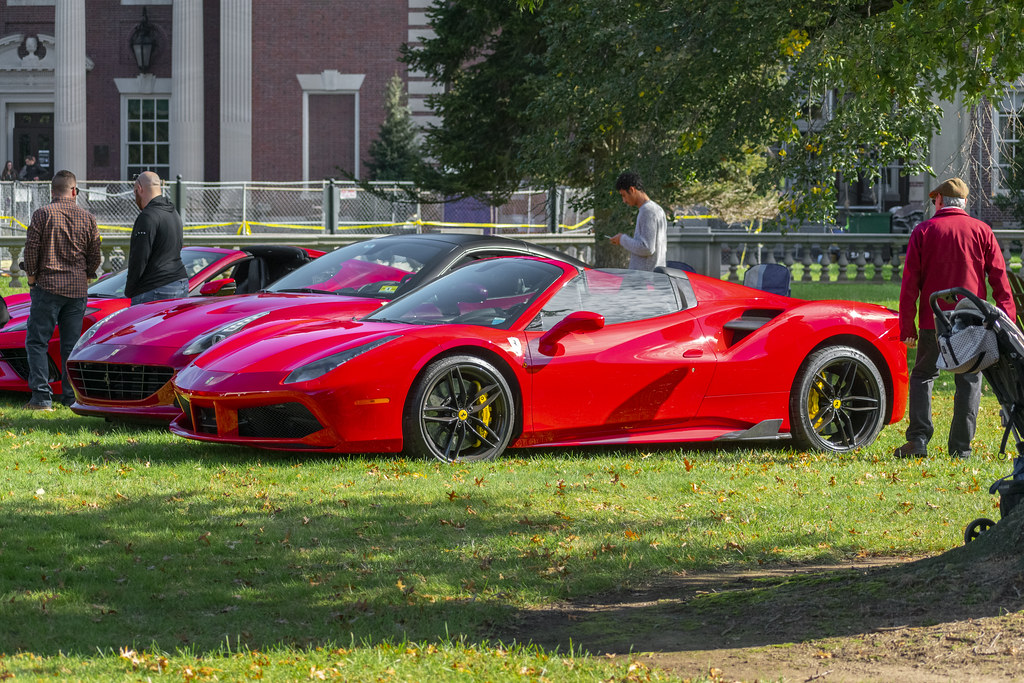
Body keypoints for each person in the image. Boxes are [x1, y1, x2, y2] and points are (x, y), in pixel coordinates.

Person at [894, 177, 1016, 459]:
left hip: (932, 319)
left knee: (923, 375)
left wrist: (907, 326)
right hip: (971, 320)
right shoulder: (982, 230)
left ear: (939, 201)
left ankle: (918, 440)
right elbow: (1000, 280)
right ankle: (961, 448)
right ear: (964, 203)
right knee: (969, 379)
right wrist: (1006, 322)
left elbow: (910, 283)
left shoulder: (924, 230)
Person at [23, 170, 101, 411]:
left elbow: (31, 250)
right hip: (77, 290)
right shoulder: (88, 218)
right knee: (71, 345)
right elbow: (95, 255)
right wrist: (86, 275)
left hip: (48, 286)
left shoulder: (42, 214)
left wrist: (32, 278)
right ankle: (70, 397)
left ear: (52, 190)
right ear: (74, 191)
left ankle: (41, 397)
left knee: (37, 342)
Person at [126, 171, 188, 305]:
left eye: (135, 192)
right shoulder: (173, 212)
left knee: (142, 320)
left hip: (154, 287)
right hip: (180, 282)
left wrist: (129, 290)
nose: (135, 196)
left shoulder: (147, 216)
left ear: (140, 189)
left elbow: (139, 257)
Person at [609, 171, 667, 271]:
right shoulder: (656, 209)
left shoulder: (648, 211)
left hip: (645, 277)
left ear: (632, 190)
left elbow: (647, 248)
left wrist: (622, 239)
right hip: (652, 275)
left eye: (624, 195)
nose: (624, 200)